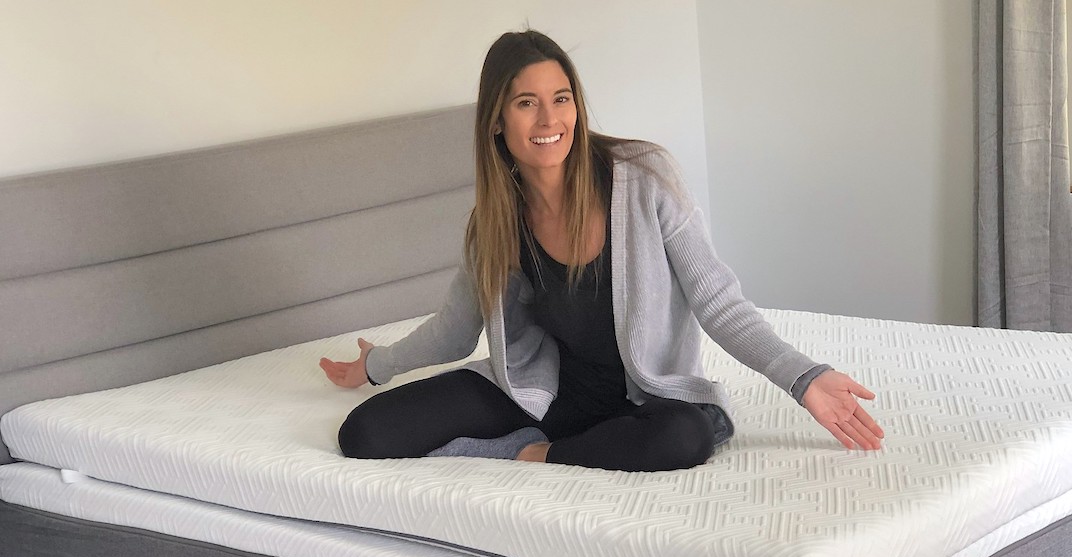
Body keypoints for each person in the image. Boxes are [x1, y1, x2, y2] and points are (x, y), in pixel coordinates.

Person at [319, 29, 884, 472]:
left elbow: (716, 298)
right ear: (496, 119)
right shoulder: (494, 224)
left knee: (685, 437)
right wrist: (374, 365)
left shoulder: (642, 177)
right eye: (526, 103)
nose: (550, 120)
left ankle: (538, 455)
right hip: (548, 398)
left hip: (646, 404)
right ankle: (559, 439)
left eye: (561, 99)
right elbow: (454, 331)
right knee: (365, 435)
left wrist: (803, 377)